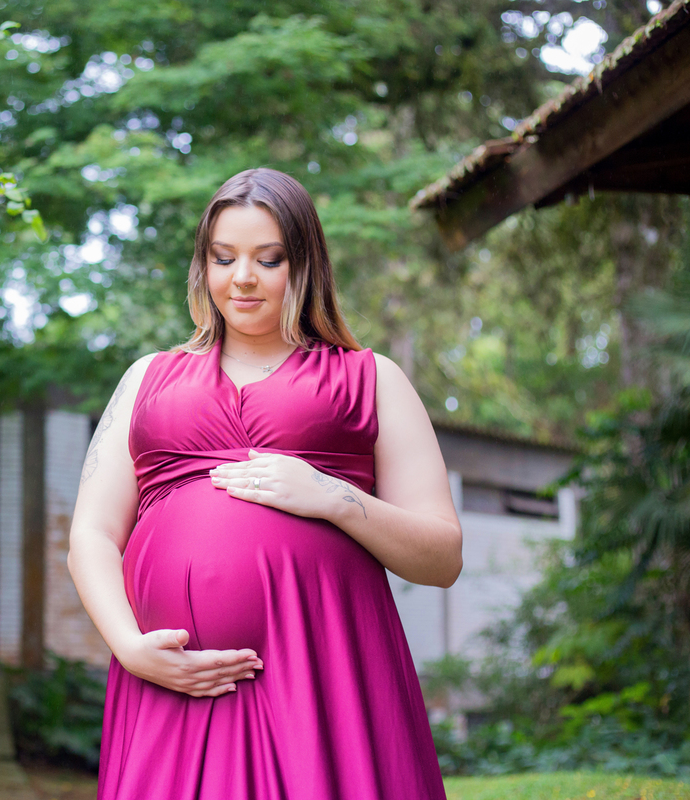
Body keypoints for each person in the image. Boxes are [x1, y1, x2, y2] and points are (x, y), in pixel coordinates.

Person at [67, 167, 461, 799]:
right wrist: (131, 646)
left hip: (321, 678)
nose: (242, 278)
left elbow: (442, 557)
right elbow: (91, 532)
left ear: (306, 265)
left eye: (268, 259)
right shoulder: (148, 378)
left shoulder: (371, 378)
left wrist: (334, 497)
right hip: (175, 681)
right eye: (223, 258)